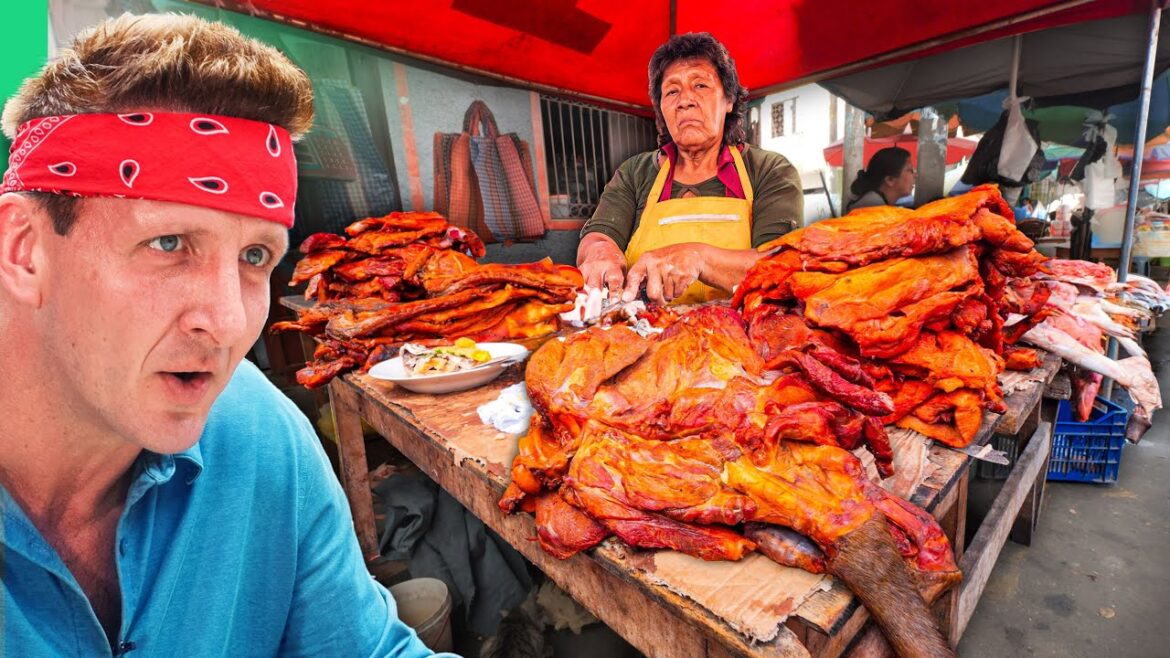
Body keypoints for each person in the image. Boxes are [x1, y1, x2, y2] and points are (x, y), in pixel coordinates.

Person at [0, 14, 452, 657]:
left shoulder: (260, 434)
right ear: (24, 249)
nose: (229, 323)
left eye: (255, 257)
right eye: (168, 243)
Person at [577, 32, 802, 306]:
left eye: (700, 85)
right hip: (645, 327)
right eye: (672, 91)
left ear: (728, 100)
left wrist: (699, 258)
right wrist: (600, 251)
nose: (685, 100)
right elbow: (599, 236)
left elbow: (779, 266)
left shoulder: (769, 170)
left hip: (741, 329)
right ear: (661, 108)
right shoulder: (634, 173)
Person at [846, 146, 915, 212]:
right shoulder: (872, 206)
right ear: (890, 180)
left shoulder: (875, 203)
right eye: (910, 170)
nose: (915, 175)